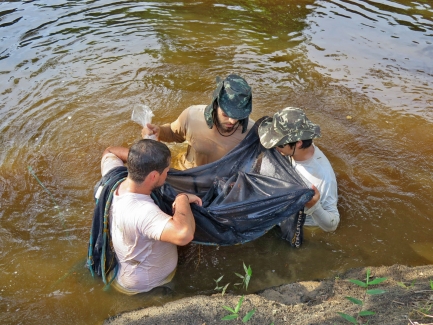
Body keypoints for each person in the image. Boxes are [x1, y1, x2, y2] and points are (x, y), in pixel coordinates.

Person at [100, 139, 202, 294]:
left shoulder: (113, 181)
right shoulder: (142, 211)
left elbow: (110, 151)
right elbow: (184, 234)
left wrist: (142, 161)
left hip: (125, 274)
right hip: (149, 288)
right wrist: (182, 198)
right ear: (154, 176)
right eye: (167, 171)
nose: (168, 174)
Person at [142, 74, 255, 169]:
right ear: (215, 105)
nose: (233, 120)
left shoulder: (252, 132)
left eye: (239, 115)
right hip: (186, 173)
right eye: (226, 114)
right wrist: (159, 131)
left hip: (220, 184)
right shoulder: (192, 116)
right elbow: (173, 133)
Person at [258, 107, 340, 232]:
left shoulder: (323, 178)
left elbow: (332, 224)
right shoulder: (289, 151)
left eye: (280, 144)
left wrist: (314, 206)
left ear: (298, 143)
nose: (275, 147)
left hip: (302, 224)